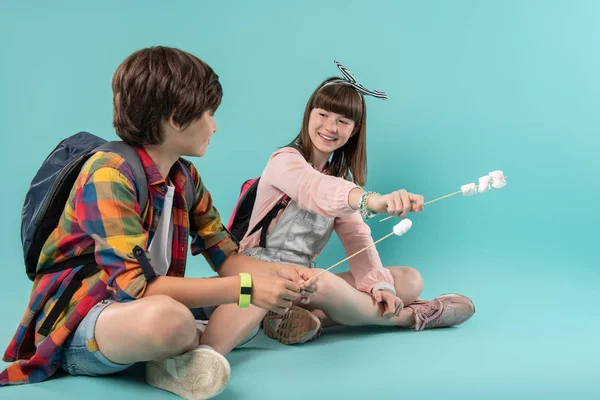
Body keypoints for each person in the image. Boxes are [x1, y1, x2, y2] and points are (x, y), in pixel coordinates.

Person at [0, 46, 317, 400]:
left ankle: (197, 359)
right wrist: (246, 289)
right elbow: (135, 288)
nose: (214, 125)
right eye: (208, 113)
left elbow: (226, 256)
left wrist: (274, 277)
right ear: (175, 119)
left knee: (264, 275)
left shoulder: (184, 176)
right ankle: (196, 343)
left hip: (147, 304)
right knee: (173, 319)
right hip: (88, 319)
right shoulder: (108, 174)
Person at [199, 61, 475, 352]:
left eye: (343, 121)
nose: (330, 127)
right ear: (309, 115)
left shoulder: (340, 180)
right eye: (323, 114)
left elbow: (358, 240)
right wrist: (373, 201)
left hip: (303, 279)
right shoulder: (284, 161)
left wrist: (380, 287)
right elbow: (314, 189)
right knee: (327, 283)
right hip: (260, 271)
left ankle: (306, 318)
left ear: (354, 130)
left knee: (408, 280)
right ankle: (410, 317)